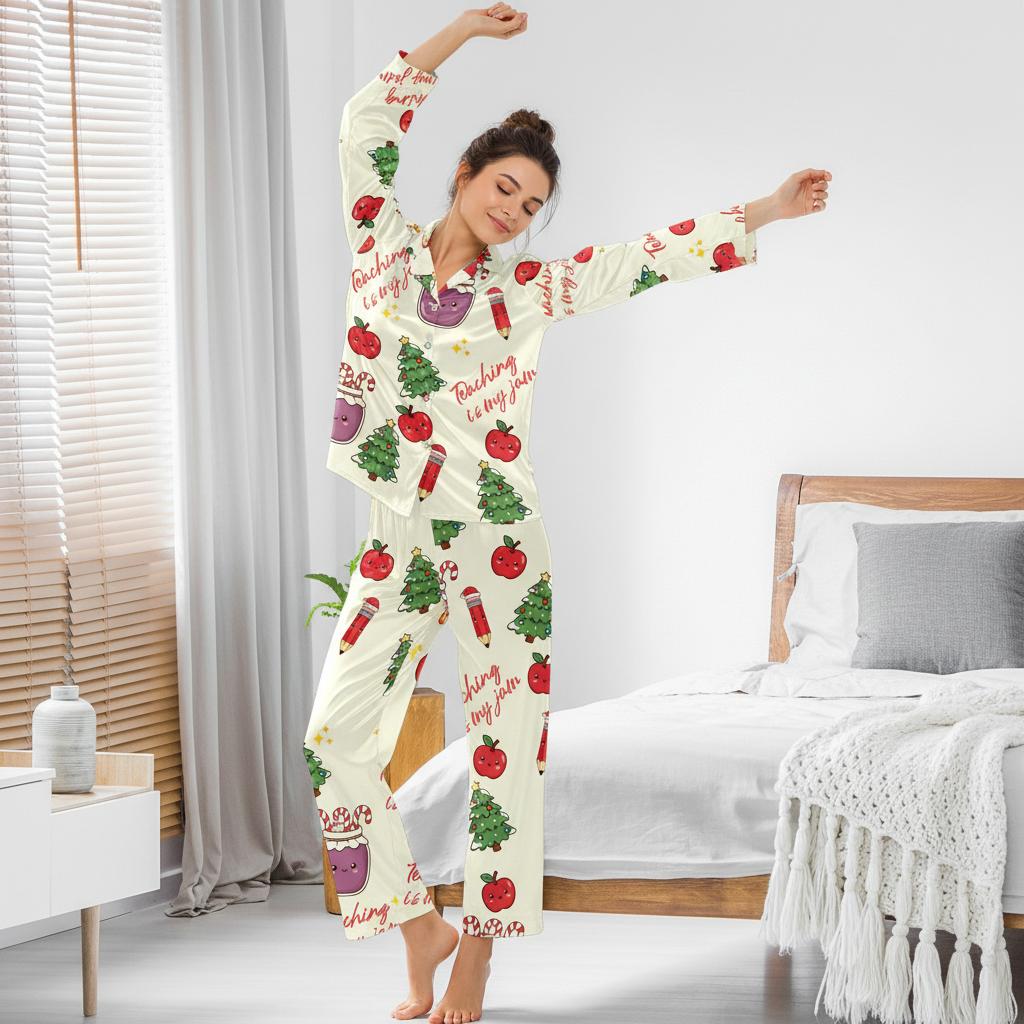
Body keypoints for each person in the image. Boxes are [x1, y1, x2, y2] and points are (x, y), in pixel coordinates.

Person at [303, 6, 831, 1022]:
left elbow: (641, 257)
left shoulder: (529, 290)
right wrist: (458, 33)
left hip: (498, 542)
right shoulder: (380, 246)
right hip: (397, 532)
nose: (515, 209)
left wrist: (764, 209)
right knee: (332, 738)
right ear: (462, 174)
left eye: (533, 202)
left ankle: (479, 958)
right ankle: (418, 924)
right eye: (505, 185)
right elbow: (365, 124)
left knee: (507, 751)